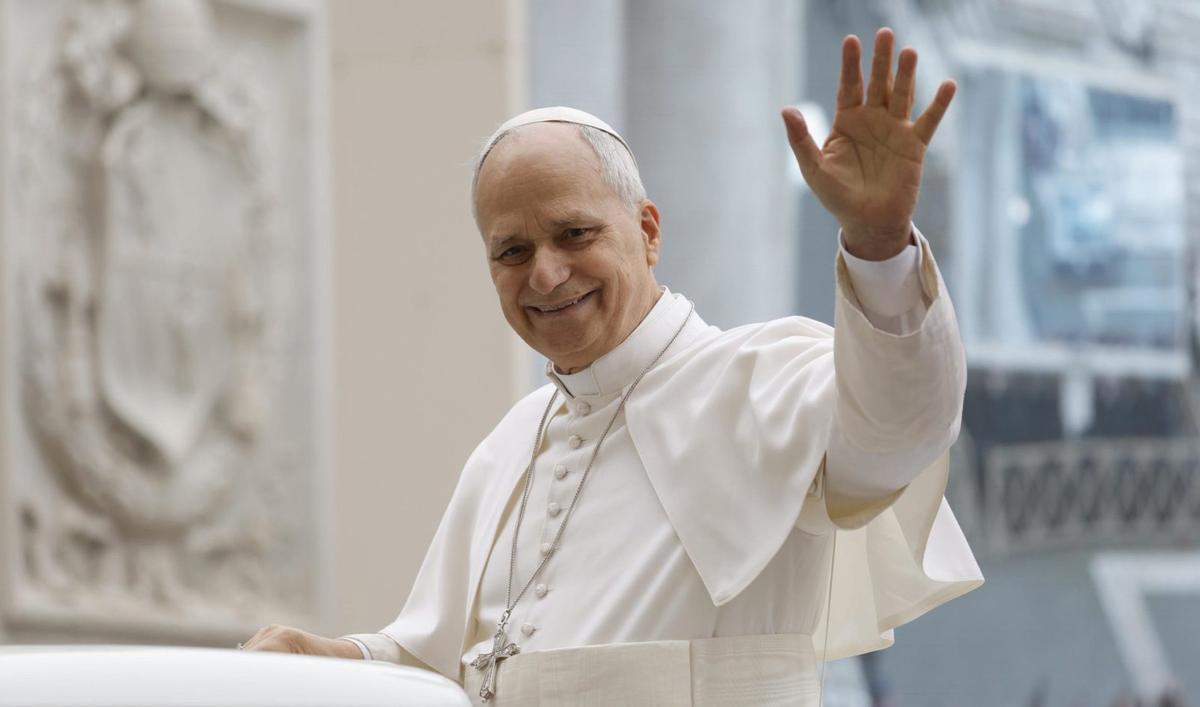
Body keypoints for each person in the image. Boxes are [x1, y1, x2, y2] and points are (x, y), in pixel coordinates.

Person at [243, 28, 983, 705]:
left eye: (573, 233)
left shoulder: (762, 380)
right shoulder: (509, 447)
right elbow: (446, 669)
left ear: (648, 230)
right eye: (512, 251)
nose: (545, 274)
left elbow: (902, 426)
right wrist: (329, 654)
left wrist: (879, 245)